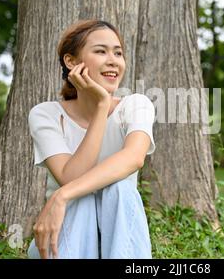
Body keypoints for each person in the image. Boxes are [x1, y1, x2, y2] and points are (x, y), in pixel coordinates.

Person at [26, 19, 156, 259]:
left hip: (120, 239)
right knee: (82, 197)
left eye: (118, 53)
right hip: (68, 238)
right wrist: (101, 108)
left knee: (120, 188)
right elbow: (72, 177)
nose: (113, 60)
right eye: (100, 51)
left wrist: (60, 196)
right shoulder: (46, 114)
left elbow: (134, 158)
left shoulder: (136, 105)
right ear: (71, 61)